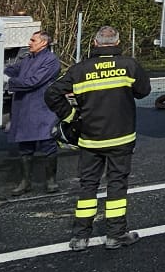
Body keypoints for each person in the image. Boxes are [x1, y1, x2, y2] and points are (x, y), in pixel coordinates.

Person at [45, 26, 150, 250]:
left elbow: (52, 93)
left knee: (88, 186)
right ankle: (116, 234)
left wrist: (71, 116)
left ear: (94, 43)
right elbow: (144, 91)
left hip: (90, 139)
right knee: (117, 186)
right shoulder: (128, 65)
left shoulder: (79, 69)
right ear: (118, 42)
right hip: (121, 137)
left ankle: (80, 237)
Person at [3, 29, 61, 196]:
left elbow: (33, 82)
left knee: (47, 144)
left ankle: (51, 181)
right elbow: (13, 69)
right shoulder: (27, 59)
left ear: (43, 43)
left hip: (42, 108)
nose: (29, 43)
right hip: (24, 108)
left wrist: (10, 81)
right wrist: (4, 73)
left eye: (33, 40)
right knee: (25, 147)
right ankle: (25, 182)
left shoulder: (51, 61)